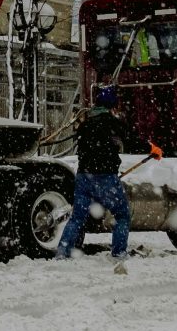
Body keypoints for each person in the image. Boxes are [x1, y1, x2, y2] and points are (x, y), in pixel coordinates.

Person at [57, 86, 135, 270]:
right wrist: (152, 149)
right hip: (105, 176)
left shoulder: (86, 123)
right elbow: (132, 140)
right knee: (122, 215)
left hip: (84, 176)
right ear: (112, 106)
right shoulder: (112, 122)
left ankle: (63, 251)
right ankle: (118, 253)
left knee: (77, 217)